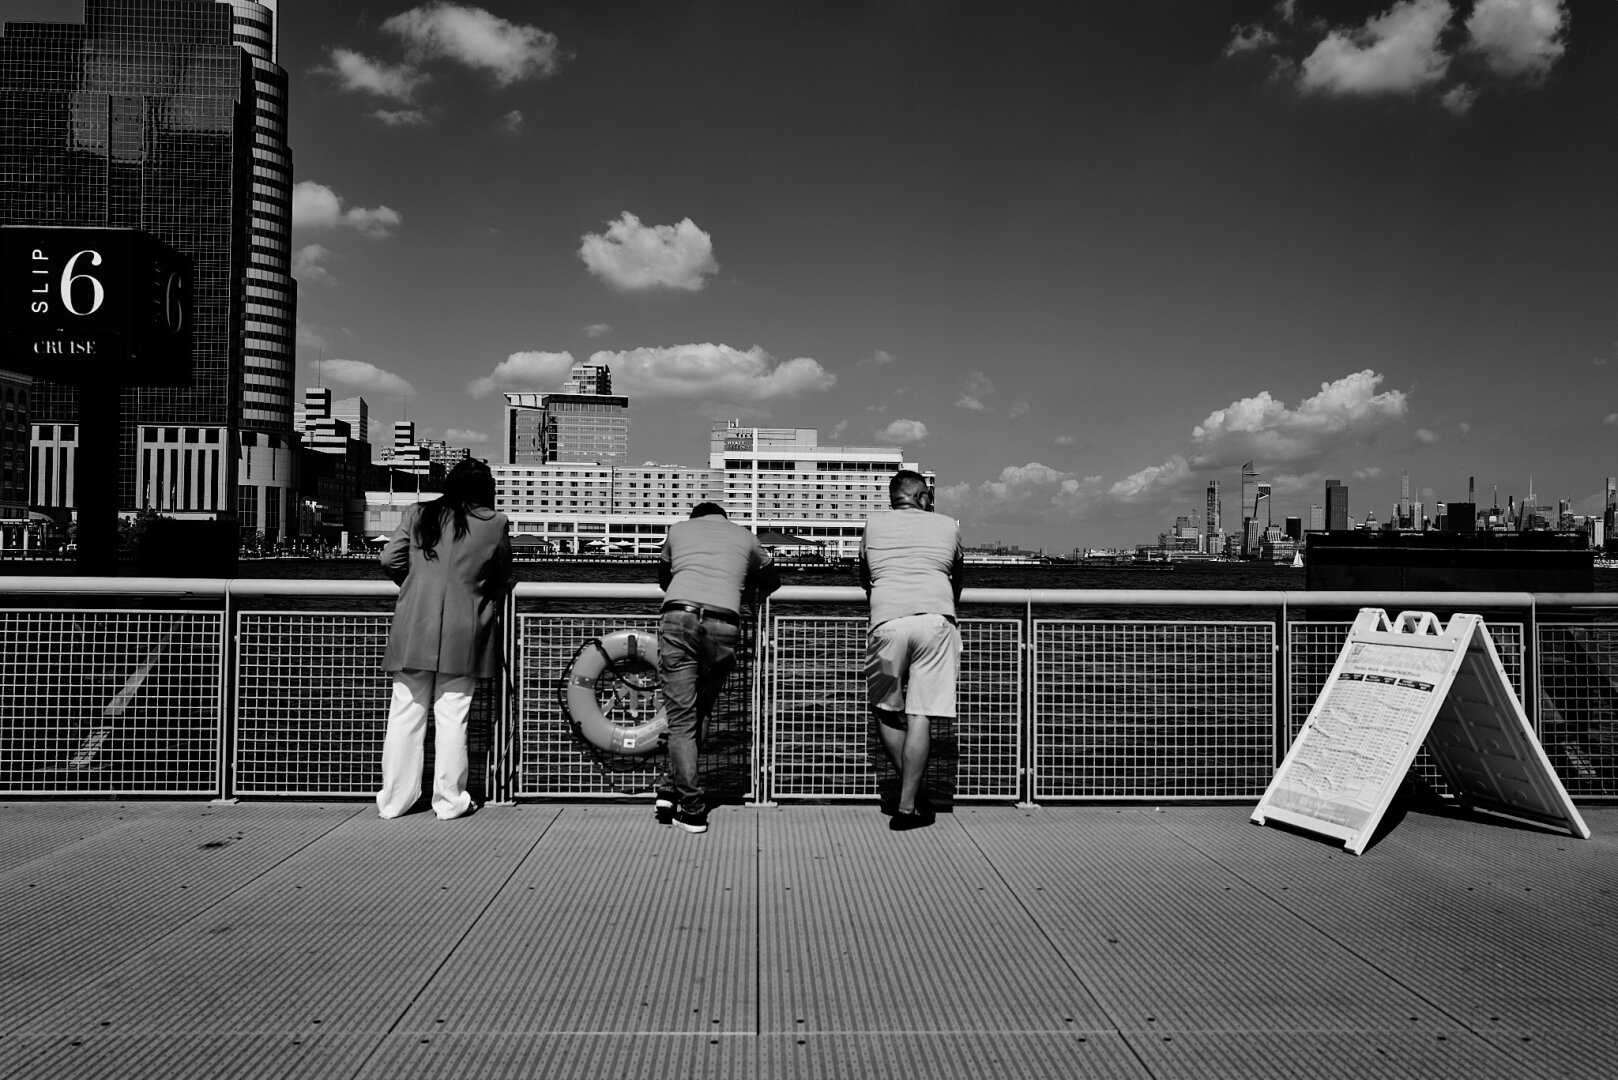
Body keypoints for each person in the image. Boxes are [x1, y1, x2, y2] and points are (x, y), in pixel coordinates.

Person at [376, 458, 512, 820]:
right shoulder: (494, 523)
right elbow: (501, 574)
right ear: (486, 489)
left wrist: (416, 584)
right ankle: (449, 802)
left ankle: (394, 802)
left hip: (414, 623)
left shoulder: (419, 513)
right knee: (453, 715)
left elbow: (389, 559)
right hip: (464, 629)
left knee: (406, 713)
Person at [656, 502, 780, 833]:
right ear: (724, 518)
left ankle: (689, 805)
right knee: (702, 710)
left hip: (679, 617)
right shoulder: (745, 537)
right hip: (724, 623)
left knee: (682, 718)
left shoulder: (678, 531)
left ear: (695, 518)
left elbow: (663, 578)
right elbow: (773, 579)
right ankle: (673, 793)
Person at [859, 470, 964, 831]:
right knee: (921, 714)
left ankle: (912, 792)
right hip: (936, 624)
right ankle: (907, 806)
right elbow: (958, 575)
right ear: (921, 496)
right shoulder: (948, 525)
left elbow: (864, 575)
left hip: (887, 626)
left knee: (886, 710)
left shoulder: (872, 524)